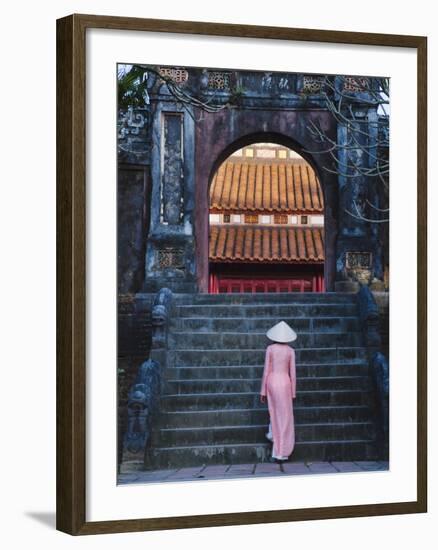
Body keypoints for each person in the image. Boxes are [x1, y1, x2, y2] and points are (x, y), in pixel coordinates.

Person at [260, 321, 297, 462]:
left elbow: (266, 371)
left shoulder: (270, 349)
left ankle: (272, 435)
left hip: (272, 381)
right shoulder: (290, 351)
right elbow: (293, 373)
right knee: (285, 416)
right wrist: (293, 392)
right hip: (285, 382)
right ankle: (281, 452)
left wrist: (262, 390)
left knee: (274, 412)